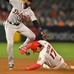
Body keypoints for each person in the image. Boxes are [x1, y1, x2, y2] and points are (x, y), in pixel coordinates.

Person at [4, 0, 36, 70]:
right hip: (9, 25)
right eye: (28, 1)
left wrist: (41, 31)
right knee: (10, 44)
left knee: (32, 36)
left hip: (20, 25)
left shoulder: (29, 11)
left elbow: (35, 21)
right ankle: (11, 63)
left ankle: (22, 47)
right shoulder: (17, 2)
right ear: (25, 0)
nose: (30, 2)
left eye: (31, 1)